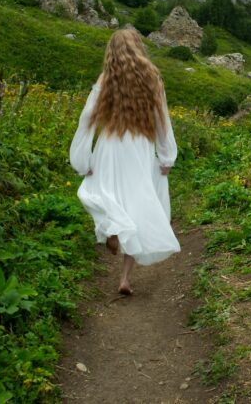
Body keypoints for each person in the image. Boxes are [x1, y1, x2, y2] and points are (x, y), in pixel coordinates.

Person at [69, 28, 180, 295]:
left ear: (111, 51)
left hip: (110, 145)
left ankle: (113, 229)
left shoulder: (106, 79)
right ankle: (125, 278)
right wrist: (166, 156)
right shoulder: (152, 78)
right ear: (139, 47)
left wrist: (83, 159)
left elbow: (87, 119)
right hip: (140, 148)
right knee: (137, 206)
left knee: (105, 193)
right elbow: (161, 120)